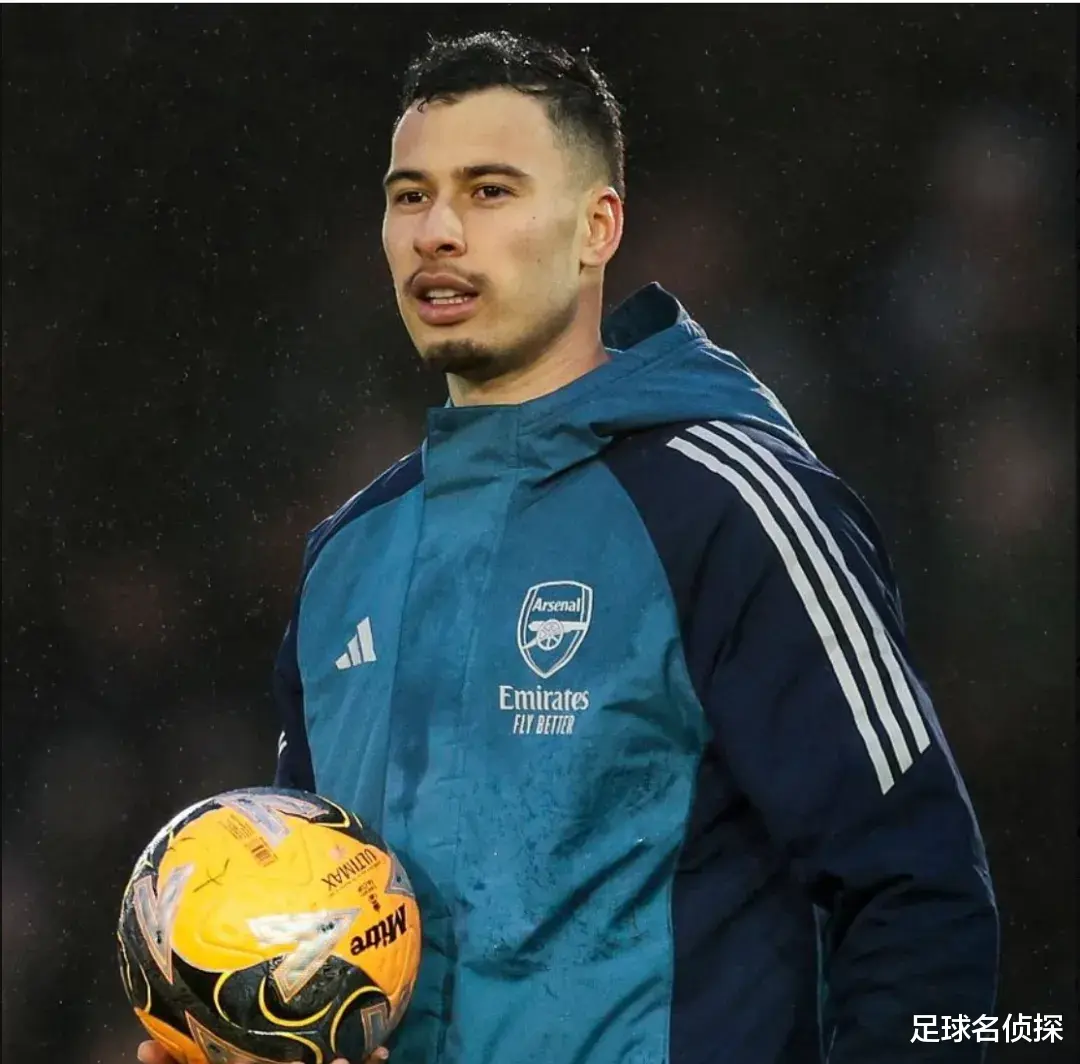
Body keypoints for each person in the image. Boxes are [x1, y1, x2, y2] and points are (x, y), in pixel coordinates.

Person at [139, 29, 998, 1064]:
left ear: (598, 227)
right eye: (410, 196)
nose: (437, 232)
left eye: (489, 191)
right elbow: (328, 927)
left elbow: (918, 890)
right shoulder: (345, 559)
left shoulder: (727, 508)